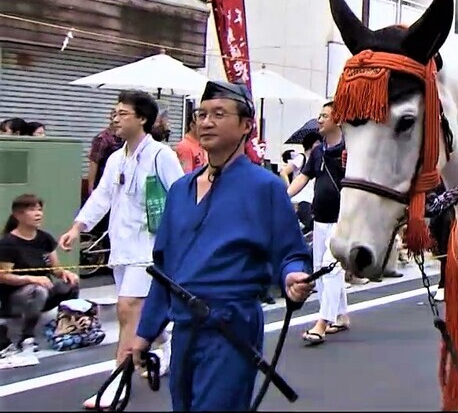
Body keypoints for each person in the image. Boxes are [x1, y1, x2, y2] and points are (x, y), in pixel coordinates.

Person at [130, 80, 313, 411]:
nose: (206, 122)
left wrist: (292, 277)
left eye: (218, 114)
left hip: (232, 324)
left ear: (246, 125)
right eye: (201, 114)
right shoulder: (180, 190)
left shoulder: (266, 188)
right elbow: (164, 269)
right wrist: (144, 333)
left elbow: (292, 253)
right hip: (184, 327)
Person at [58, 90, 185, 409]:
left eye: (122, 113)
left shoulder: (161, 156)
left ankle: (117, 382)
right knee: (138, 314)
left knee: (128, 310)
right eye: (113, 113)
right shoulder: (116, 159)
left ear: (142, 119)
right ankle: (165, 341)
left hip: (151, 249)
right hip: (122, 248)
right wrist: (78, 227)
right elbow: (101, 197)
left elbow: (182, 197)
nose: (114, 118)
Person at [287, 102, 357, 345]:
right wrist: (283, 196)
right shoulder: (318, 152)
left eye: (325, 116)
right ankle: (341, 315)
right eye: (319, 115)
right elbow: (303, 179)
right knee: (321, 268)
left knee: (330, 268)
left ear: (338, 120)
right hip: (321, 218)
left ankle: (322, 322)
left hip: (342, 219)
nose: (319, 119)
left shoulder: (351, 149)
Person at [0, 194, 80, 356]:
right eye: (32, 210)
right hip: (15, 299)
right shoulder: (8, 243)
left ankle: (66, 327)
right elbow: (3, 276)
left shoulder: (44, 238)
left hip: (42, 294)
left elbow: (55, 269)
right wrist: (31, 279)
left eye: (40, 209)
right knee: (37, 290)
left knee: (70, 284)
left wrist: (66, 273)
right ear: (18, 215)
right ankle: (26, 337)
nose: (38, 213)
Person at [175, 107, 207, 173]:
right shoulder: (185, 146)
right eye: (201, 124)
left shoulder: (203, 144)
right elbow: (187, 175)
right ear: (192, 126)